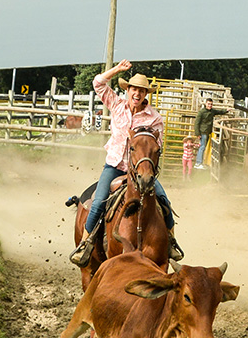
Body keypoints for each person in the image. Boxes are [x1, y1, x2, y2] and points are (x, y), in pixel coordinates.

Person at [70, 59, 184, 267]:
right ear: (128, 90)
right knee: (98, 203)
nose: (137, 94)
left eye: (141, 90)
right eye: (134, 89)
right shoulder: (117, 105)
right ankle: (85, 244)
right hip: (114, 166)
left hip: (140, 170)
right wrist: (117, 70)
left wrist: (147, 166)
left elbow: (157, 146)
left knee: (164, 202)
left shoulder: (154, 118)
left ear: (146, 94)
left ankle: (171, 243)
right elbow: (98, 83)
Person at [193, 97, 229, 169]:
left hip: (207, 132)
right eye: (208, 104)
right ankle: (198, 163)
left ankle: (200, 162)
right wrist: (197, 133)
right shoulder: (202, 112)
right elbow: (196, 123)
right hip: (203, 132)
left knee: (203, 147)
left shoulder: (212, 111)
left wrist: (226, 111)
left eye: (211, 104)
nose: (210, 105)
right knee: (202, 147)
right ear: (206, 104)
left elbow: (219, 112)